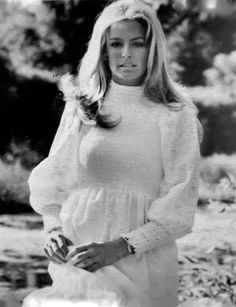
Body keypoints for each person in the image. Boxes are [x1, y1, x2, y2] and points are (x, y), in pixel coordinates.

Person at [22, 0, 203, 306]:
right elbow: (53, 184)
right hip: (79, 256)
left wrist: (120, 247)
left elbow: (180, 205)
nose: (125, 54)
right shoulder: (82, 104)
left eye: (137, 44)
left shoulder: (176, 113)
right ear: (102, 49)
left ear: (153, 49)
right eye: (115, 44)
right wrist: (53, 231)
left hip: (141, 259)